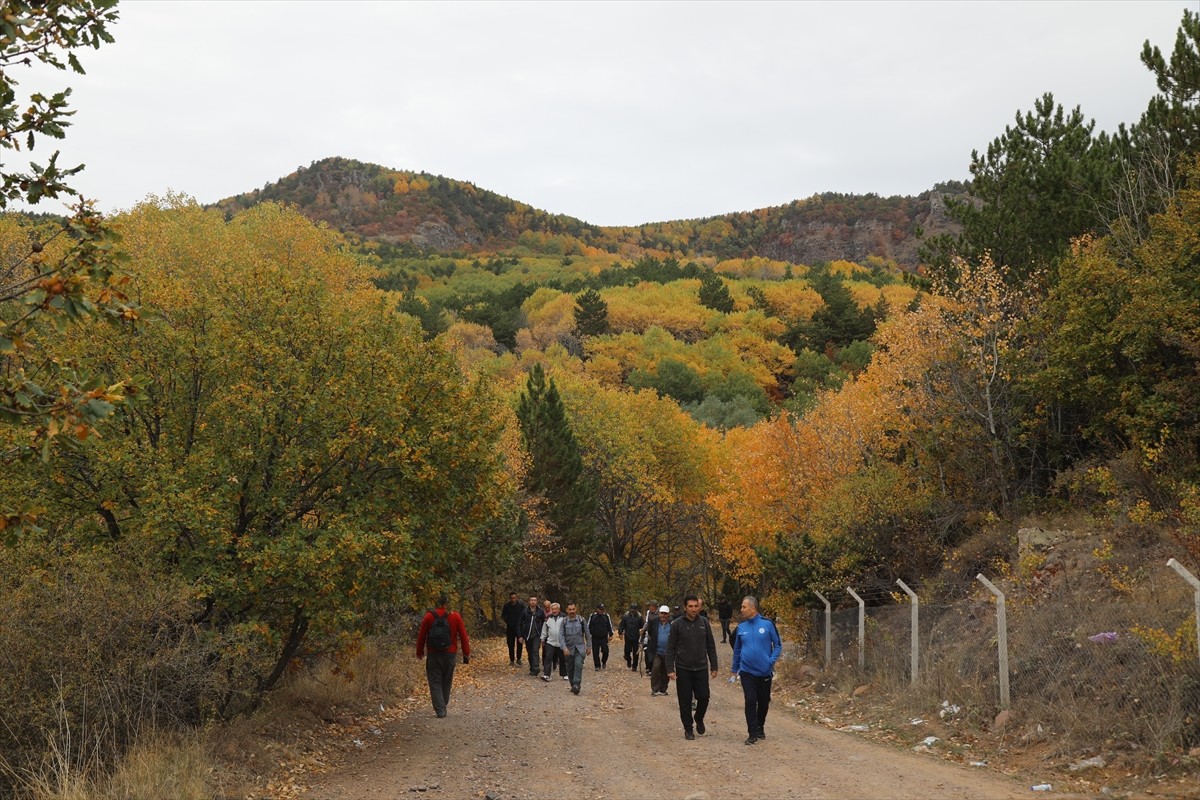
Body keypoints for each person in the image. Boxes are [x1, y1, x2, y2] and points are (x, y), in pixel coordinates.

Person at [731, 596, 782, 745]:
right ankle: (752, 733)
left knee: (763, 701)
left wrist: (770, 662)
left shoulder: (767, 624)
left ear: (753, 608)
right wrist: (735, 669)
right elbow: (737, 650)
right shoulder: (741, 627)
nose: (741, 610)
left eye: (743, 607)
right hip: (747, 672)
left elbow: (778, 645)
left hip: (764, 672)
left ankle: (760, 726)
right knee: (750, 700)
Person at [666, 594, 719, 740]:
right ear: (685, 607)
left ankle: (699, 717)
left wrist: (714, 665)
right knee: (685, 700)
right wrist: (670, 669)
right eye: (690, 606)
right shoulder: (677, 624)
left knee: (704, 696)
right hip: (683, 668)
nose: (693, 609)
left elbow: (710, 645)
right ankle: (688, 729)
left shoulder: (704, 622)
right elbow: (670, 648)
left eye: (696, 606)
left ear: (699, 607)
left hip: (701, 667)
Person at [416, 594, 470, 718]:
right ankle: (442, 705)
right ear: (447, 604)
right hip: (450, 654)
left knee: (435, 681)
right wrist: (466, 653)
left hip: (433, 654)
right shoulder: (455, 616)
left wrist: (419, 652)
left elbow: (421, 636)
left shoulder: (429, 616)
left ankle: (440, 709)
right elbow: (463, 636)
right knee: (446, 681)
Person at [560, 602, 591, 694]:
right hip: (568, 649)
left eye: (573, 609)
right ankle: (573, 684)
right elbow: (561, 636)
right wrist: (564, 648)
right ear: (567, 610)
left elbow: (587, 634)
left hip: (579, 648)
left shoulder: (581, 620)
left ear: (576, 609)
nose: (572, 611)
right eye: (570, 610)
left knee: (578, 664)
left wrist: (589, 646)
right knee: (570, 668)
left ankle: (576, 684)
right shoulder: (564, 621)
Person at [644, 605, 673, 697]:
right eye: (661, 613)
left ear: (668, 614)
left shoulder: (673, 623)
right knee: (656, 668)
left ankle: (663, 689)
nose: (663, 615)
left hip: (668, 652)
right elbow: (650, 633)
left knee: (666, 671)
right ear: (659, 613)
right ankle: (655, 689)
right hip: (656, 651)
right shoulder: (653, 622)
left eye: (665, 613)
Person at [518, 595, 544, 677]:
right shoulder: (524, 611)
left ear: (537, 601)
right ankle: (532, 668)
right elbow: (519, 624)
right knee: (530, 652)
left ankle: (536, 667)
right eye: (531, 600)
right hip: (527, 635)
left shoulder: (540, 611)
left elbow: (544, 623)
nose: (533, 601)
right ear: (529, 601)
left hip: (537, 635)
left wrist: (543, 635)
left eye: (534, 600)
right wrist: (520, 636)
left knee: (535, 650)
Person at [540, 602, 566, 681]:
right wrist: (542, 638)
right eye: (553, 609)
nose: (554, 611)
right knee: (548, 658)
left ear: (559, 609)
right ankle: (546, 675)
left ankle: (565, 674)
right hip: (550, 641)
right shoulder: (548, 618)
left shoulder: (564, 617)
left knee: (563, 659)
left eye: (555, 609)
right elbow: (544, 629)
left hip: (561, 642)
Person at [588, 603, 614, 670]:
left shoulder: (606, 616)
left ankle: (604, 661)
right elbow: (588, 626)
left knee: (606, 651)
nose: (601, 611)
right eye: (600, 609)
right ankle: (597, 666)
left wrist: (611, 634)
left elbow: (609, 625)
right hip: (595, 637)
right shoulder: (592, 616)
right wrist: (588, 635)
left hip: (603, 637)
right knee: (595, 653)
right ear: (597, 609)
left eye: (602, 609)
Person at [618, 603, 644, 671]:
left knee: (636, 652)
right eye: (632, 608)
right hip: (628, 636)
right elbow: (621, 625)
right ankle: (628, 660)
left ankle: (634, 666)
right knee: (627, 651)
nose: (633, 610)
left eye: (634, 609)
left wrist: (642, 633)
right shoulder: (626, 616)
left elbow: (642, 626)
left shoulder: (639, 616)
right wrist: (620, 632)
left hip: (636, 637)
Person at [502, 591, 525, 666]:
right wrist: (508, 621)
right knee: (510, 644)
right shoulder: (506, 605)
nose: (513, 599)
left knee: (519, 644)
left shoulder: (521, 605)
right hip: (510, 628)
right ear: (510, 598)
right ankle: (512, 660)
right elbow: (503, 615)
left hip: (519, 627)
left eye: (514, 598)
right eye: (512, 598)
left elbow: (525, 614)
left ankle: (519, 659)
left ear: (516, 598)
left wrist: (522, 622)